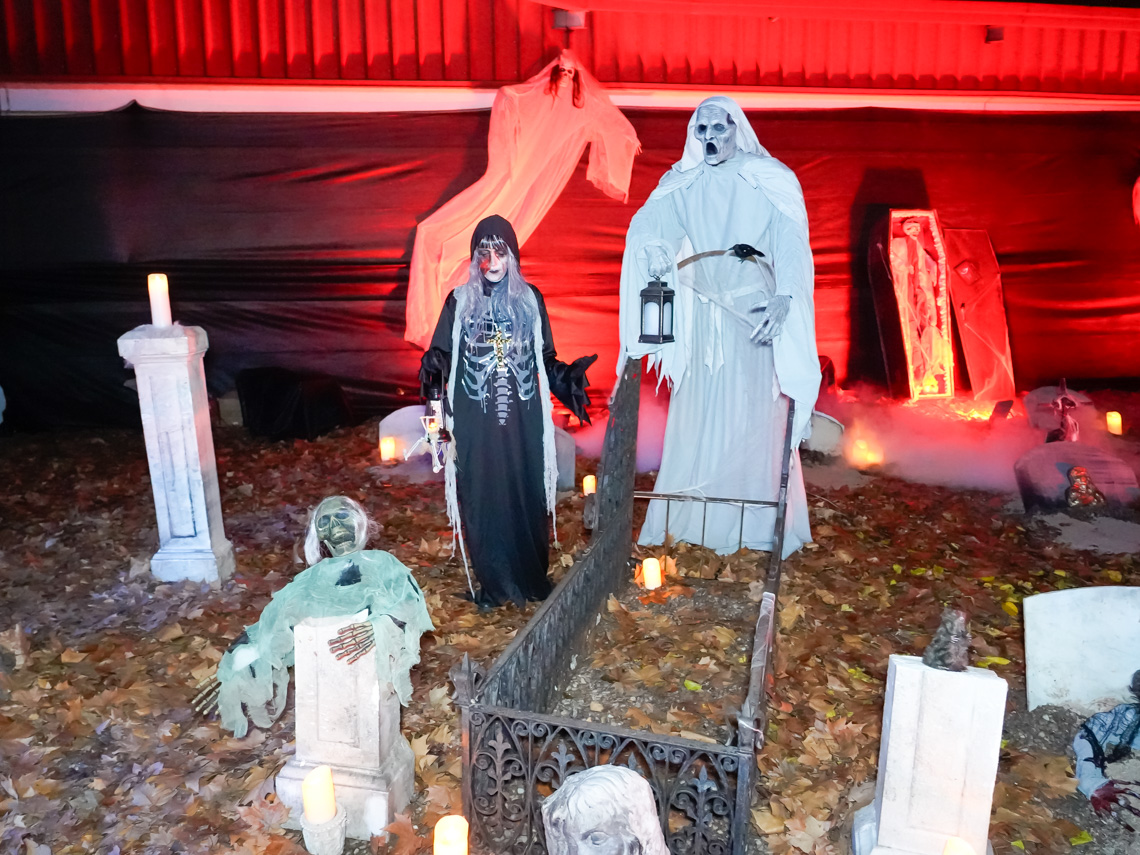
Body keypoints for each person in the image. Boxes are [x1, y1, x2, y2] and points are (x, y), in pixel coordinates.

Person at [618, 96, 819, 558]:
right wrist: (653, 247)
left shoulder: (767, 178)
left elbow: (790, 243)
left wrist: (786, 296)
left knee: (753, 413)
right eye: (701, 129)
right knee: (700, 411)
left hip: (753, 317)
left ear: (736, 128)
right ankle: (695, 518)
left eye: (718, 128)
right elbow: (650, 223)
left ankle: (752, 523)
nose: (709, 137)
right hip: (704, 319)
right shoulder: (684, 182)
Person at [421, 215, 595, 607]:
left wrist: (568, 380)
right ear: (474, 258)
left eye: (500, 253)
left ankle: (529, 577)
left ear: (513, 255)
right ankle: (495, 583)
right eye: (484, 254)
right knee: (482, 496)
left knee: (525, 490)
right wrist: (436, 417)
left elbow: (544, 359)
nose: (493, 262)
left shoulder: (530, 300)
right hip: (475, 423)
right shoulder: (458, 302)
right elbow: (439, 361)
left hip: (523, 421)